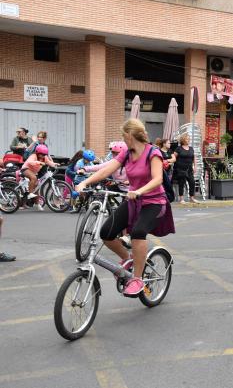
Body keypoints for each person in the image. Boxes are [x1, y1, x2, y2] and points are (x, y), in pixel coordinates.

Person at [76, 118, 175, 297]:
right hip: (133, 201)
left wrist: (138, 191)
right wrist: (85, 182)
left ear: (129, 135)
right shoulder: (127, 153)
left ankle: (137, 278)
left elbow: (157, 179)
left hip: (154, 202)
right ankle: (128, 259)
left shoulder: (153, 153)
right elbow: (107, 169)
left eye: (123, 135)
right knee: (106, 232)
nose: (122, 138)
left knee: (138, 232)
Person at [21, 144, 59, 211]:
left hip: (33, 172)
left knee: (37, 188)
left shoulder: (44, 158)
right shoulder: (33, 156)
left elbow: (49, 163)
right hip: (26, 169)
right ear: (38, 153)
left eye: (45, 154)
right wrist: (38, 162)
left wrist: (54, 164)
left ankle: (38, 204)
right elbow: (30, 162)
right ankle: (30, 194)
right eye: (42, 154)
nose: (43, 156)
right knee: (34, 178)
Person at [172, 133, 200, 204]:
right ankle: (181, 199)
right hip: (180, 168)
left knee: (192, 182)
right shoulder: (179, 148)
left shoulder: (191, 148)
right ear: (183, 140)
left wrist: (195, 166)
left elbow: (194, 158)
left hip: (189, 168)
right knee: (181, 183)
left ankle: (192, 198)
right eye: (187, 139)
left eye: (189, 139)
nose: (188, 140)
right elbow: (173, 157)